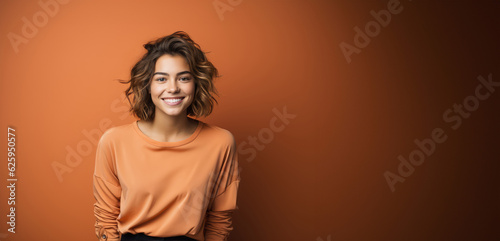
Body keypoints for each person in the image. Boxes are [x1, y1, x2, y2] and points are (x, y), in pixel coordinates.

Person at [93, 31, 241, 241]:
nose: (173, 88)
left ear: (196, 83)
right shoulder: (114, 141)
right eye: (161, 79)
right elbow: (106, 218)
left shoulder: (221, 142)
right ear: (148, 85)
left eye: (183, 78)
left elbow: (220, 219)